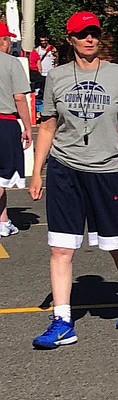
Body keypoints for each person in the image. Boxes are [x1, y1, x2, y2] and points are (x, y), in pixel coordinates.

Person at [28, 11, 118, 348]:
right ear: (70, 40)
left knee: (116, 245)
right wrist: (37, 170)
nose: (90, 39)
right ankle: (63, 320)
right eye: (82, 34)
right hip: (65, 170)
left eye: (94, 33)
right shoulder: (57, 76)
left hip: (107, 171)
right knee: (60, 248)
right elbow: (48, 125)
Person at [0, 20, 34, 238]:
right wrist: (28, 127)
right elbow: (20, 98)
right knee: (2, 175)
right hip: (4, 122)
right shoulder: (11, 63)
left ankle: (3, 220)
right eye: (8, 39)